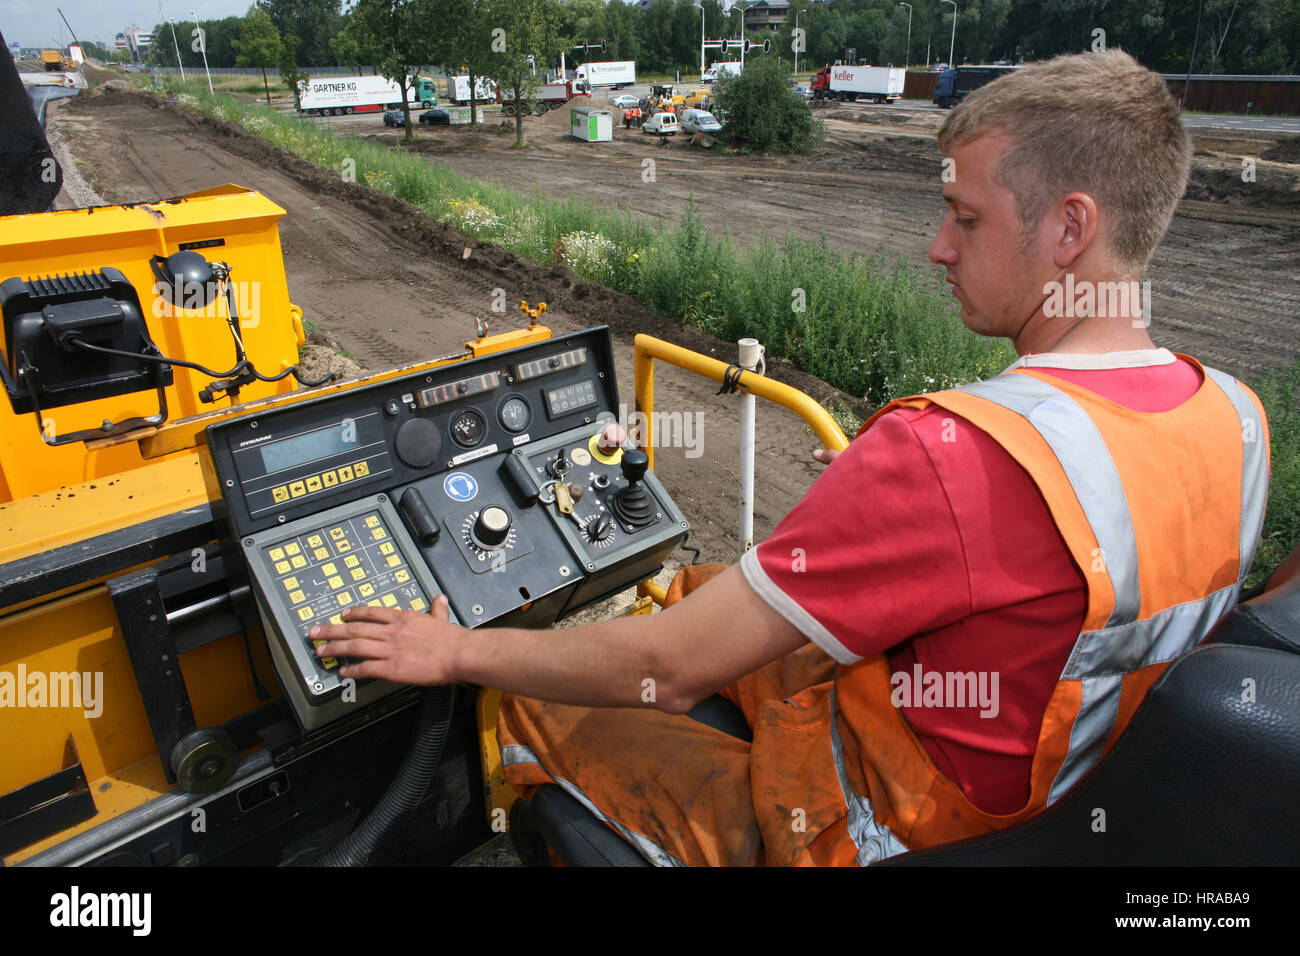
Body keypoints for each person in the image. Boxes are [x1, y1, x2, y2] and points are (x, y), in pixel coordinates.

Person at [309, 50, 1270, 866]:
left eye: (966, 219)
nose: (938, 248)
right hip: (1056, 796)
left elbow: (668, 672)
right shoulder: (1237, 418)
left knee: (525, 696)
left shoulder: (956, 455)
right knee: (694, 590)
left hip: (886, 830)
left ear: (1071, 227)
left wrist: (456, 650)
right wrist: (890, 503)